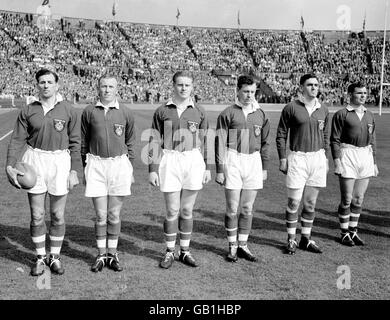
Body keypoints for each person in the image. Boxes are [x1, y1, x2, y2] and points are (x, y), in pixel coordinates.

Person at [5, 68, 80, 276]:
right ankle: (40, 257)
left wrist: (74, 171)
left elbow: (76, 142)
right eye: (42, 82)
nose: (45, 85)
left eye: (49, 82)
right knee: (37, 215)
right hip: (35, 160)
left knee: (57, 214)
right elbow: (17, 140)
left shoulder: (69, 109)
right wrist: (10, 165)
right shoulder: (28, 110)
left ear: (57, 85)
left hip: (60, 161)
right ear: (37, 85)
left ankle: (54, 256)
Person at [148, 71, 211, 269]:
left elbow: (207, 141)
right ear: (173, 86)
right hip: (170, 159)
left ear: (192, 87)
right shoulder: (162, 111)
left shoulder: (199, 111)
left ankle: (184, 251)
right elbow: (154, 140)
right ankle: (169, 251)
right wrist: (152, 169)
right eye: (180, 85)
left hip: (193, 160)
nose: (184, 88)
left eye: (187, 85)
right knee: (172, 210)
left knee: (186, 209)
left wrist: (208, 167)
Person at [81, 74, 135, 272]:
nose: (107, 90)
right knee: (100, 214)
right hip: (96, 164)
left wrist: (130, 169)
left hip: (119, 165)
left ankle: (112, 254)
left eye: (111, 86)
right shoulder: (89, 112)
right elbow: (83, 143)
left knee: (114, 214)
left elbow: (130, 143)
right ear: (98, 88)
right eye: (103, 86)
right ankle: (101, 254)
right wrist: (84, 169)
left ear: (117, 89)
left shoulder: (126, 113)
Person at [215, 75, 270, 262]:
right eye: (246, 91)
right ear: (237, 90)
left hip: (253, 161)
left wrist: (264, 167)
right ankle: (232, 246)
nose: (249, 95)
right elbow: (220, 141)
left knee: (247, 208)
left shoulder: (260, 114)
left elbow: (265, 142)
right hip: (233, 159)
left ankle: (243, 245)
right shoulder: (228, 113)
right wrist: (220, 170)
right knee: (232, 208)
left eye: (253, 92)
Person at [276, 73, 329, 255]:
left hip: (317, 158)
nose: (314, 88)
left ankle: (306, 238)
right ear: (301, 87)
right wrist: (283, 158)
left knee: (310, 204)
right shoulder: (291, 107)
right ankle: (291, 239)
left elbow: (326, 136)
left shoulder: (323, 109)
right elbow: (281, 134)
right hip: (298, 158)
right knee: (293, 202)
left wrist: (326, 158)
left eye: (316, 84)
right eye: (309, 85)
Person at [330, 82, 378, 246]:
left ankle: (353, 231)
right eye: (359, 93)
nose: (363, 95)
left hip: (365, 156)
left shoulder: (369, 114)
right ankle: (344, 233)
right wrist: (337, 161)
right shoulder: (341, 114)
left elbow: (373, 140)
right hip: (348, 155)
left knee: (358, 199)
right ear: (350, 94)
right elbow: (334, 139)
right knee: (347, 199)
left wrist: (375, 162)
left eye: (365, 93)